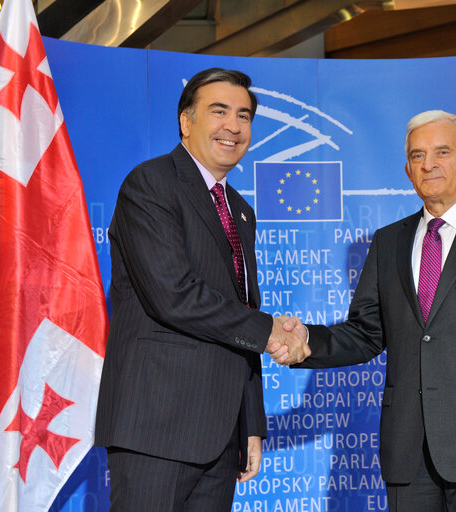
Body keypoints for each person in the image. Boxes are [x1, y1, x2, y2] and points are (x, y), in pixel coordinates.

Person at [270, 110, 456, 511]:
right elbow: (365, 333)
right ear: (407, 170)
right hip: (408, 454)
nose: (428, 164)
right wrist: (307, 342)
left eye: (442, 152)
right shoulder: (389, 241)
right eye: (417, 155)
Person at [95, 68, 308, 511]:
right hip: (156, 428)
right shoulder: (151, 184)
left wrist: (250, 421)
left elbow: (239, 315)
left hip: (219, 434)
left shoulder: (240, 211)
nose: (234, 125)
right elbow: (174, 295)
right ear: (186, 122)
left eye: (244, 115)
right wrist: (272, 330)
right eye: (219, 111)